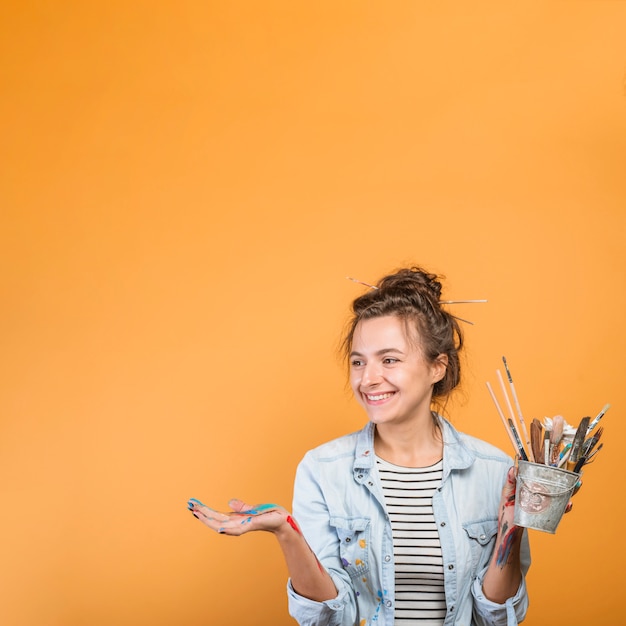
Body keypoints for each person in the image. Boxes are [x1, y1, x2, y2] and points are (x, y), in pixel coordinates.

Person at [187, 266, 530, 626]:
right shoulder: (322, 469)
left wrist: (513, 526)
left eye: (390, 359)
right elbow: (330, 618)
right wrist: (285, 531)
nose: (367, 379)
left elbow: (498, 618)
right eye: (358, 362)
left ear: (437, 367)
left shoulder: (495, 471)